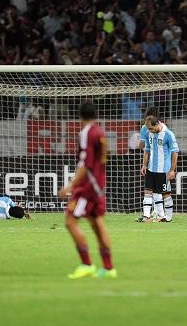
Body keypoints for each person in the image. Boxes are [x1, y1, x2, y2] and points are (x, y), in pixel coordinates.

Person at [58, 101, 116, 279]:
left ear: (80, 116)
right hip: (99, 186)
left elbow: (85, 164)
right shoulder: (100, 132)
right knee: (98, 224)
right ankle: (108, 268)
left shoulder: (86, 133)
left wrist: (71, 185)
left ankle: (86, 264)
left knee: (70, 221)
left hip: (87, 187)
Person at [139, 115, 179, 223]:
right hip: (151, 169)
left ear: (157, 124)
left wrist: (171, 170)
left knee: (166, 193)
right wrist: (144, 165)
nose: (150, 131)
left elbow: (175, 153)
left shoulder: (168, 134)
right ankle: (146, 216)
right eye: (148, 129)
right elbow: (146, 150)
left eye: (151, 128)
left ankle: (168, 217)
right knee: (147, 191)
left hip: (164, 171)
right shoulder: (149, 133)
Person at [135, 107, 166, 222]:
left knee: (154, 190)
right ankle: (155, 214)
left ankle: (156, 214)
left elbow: (142, 146)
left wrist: (140, 143)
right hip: (160, 163)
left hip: (153, 161)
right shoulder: (163, 127)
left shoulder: (145, 127)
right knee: (158, 191)